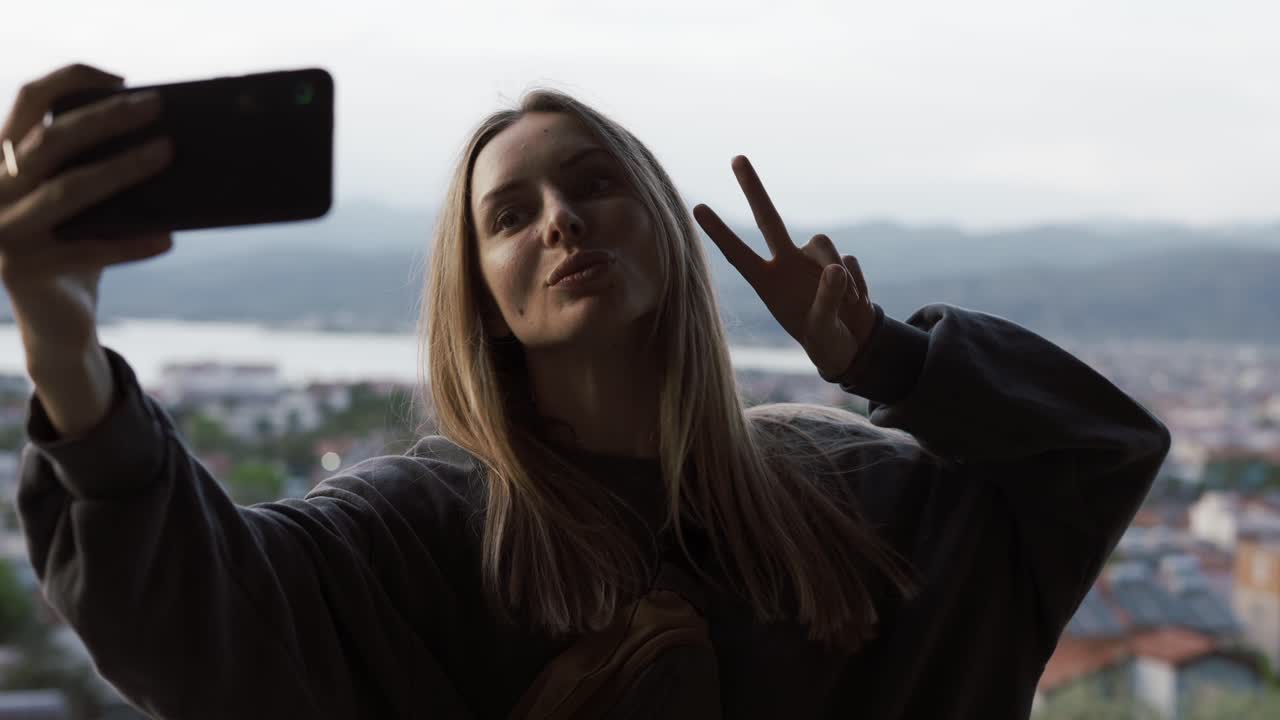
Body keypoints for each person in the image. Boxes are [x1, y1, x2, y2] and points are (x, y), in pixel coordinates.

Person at [1, 63, 1171, 719]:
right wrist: (61, 334)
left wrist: (888, 363)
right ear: (483, 295)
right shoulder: (411, 528)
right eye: (510, 214)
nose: (558, 219)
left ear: (664, 228)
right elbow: (188, 609)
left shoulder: (857, 491)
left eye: (593, 183)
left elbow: (1094, 453)